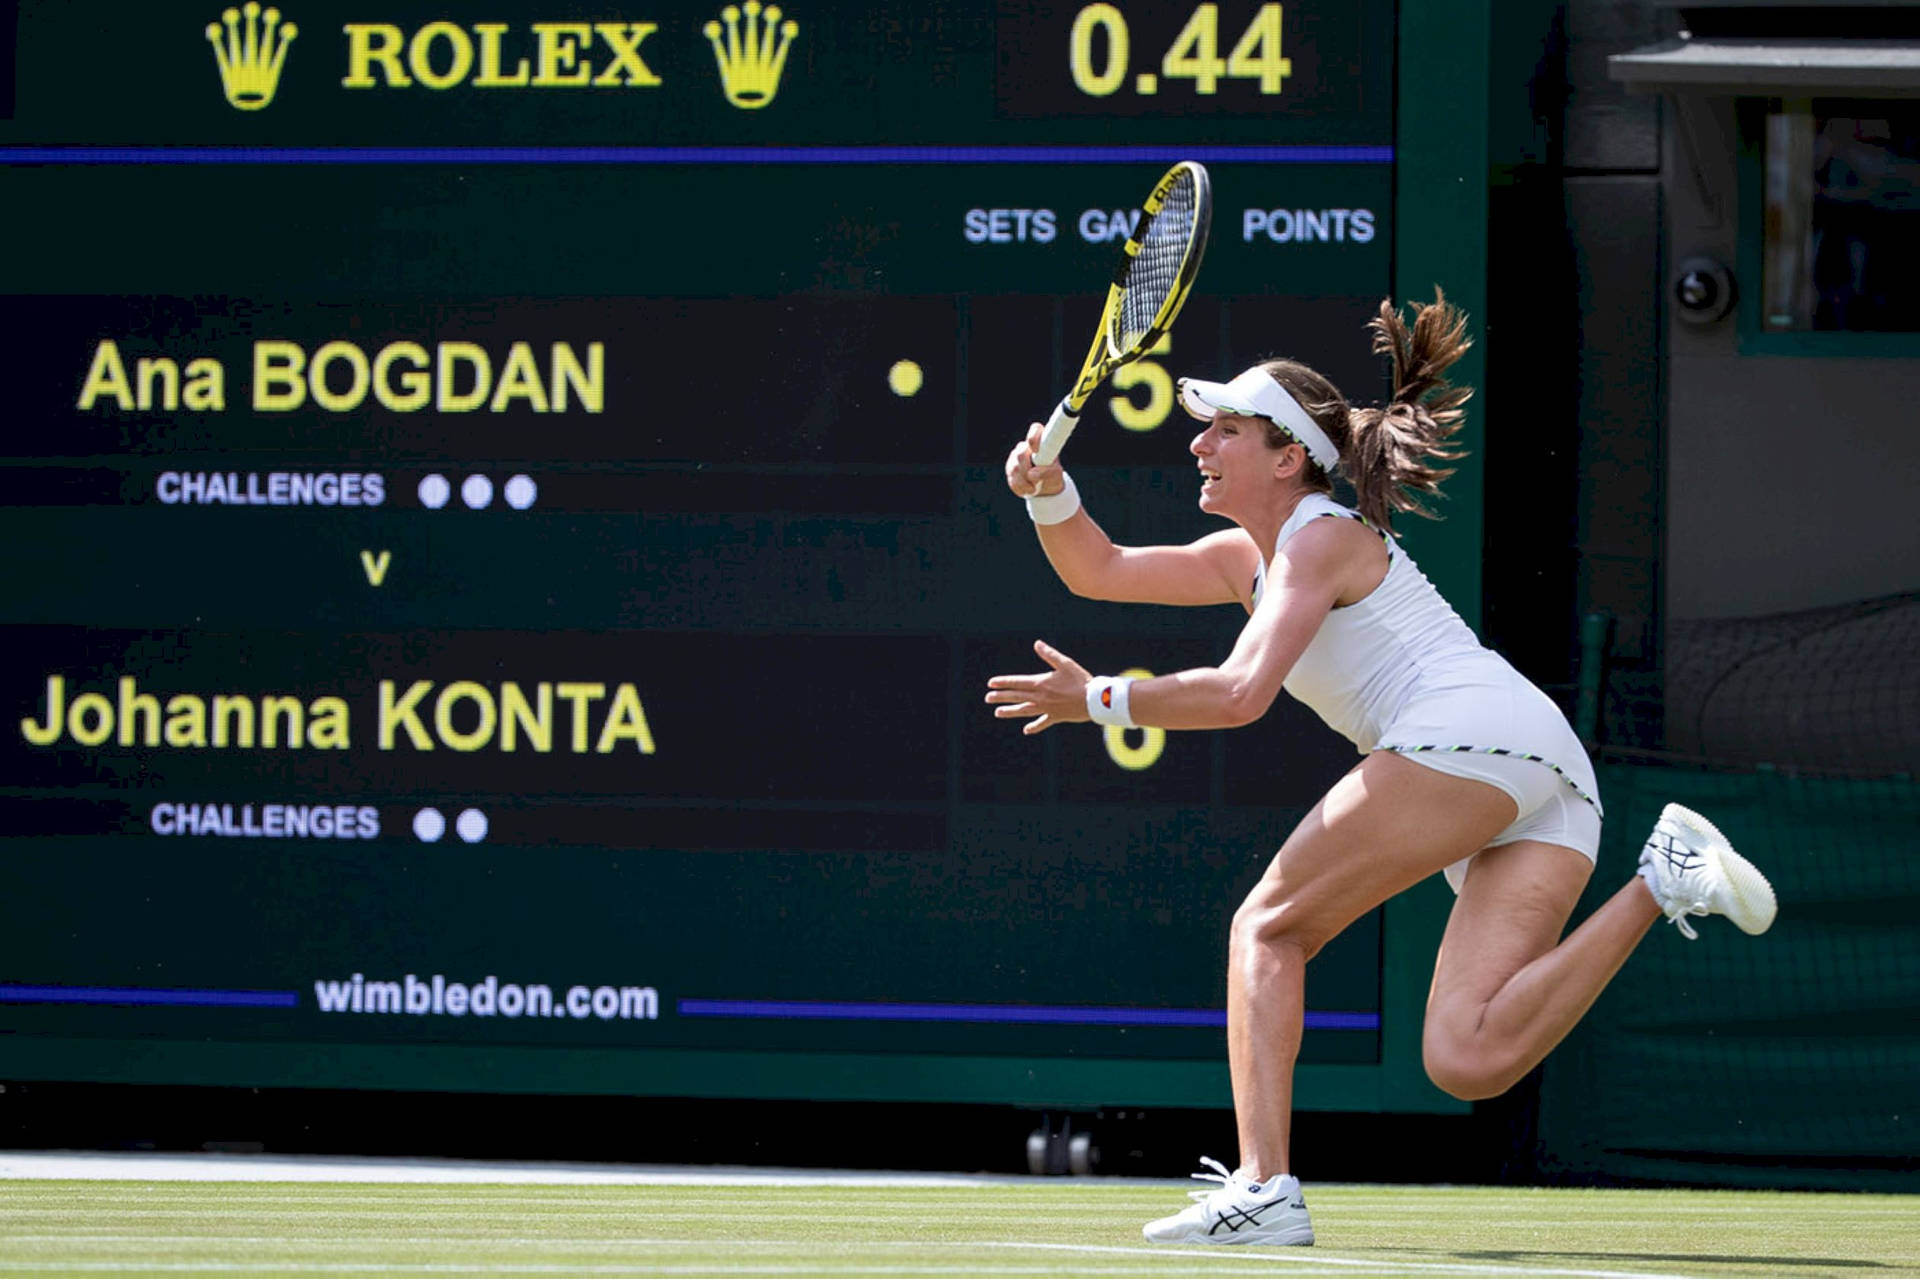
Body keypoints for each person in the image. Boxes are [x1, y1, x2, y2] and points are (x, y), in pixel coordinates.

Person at [984, 291, 1777, 1247]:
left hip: (1463, 733)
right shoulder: (1251, 554)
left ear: (1288, 457)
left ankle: (1264, 1188)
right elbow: (1098, 568)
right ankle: (1663, 877)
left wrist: (1102, 699)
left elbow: (1241, 694)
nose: (1200, 444)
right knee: (1466, 1054)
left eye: (1225, 429)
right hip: (1545, 769)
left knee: (1266, 927)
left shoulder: (1318, 534)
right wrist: (1049, 493)